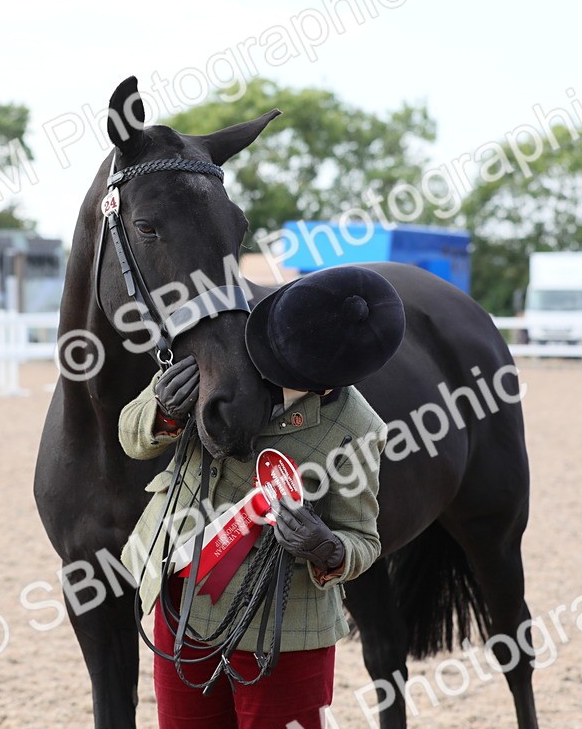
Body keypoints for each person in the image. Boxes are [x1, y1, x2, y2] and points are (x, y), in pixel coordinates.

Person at [118, 266, 406, 729]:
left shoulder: (359, 429)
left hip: (283, 631)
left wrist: (328, 548)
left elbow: (363, 539)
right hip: (182, 598)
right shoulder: (216, 351)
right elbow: (131, 437)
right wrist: (162, 410)